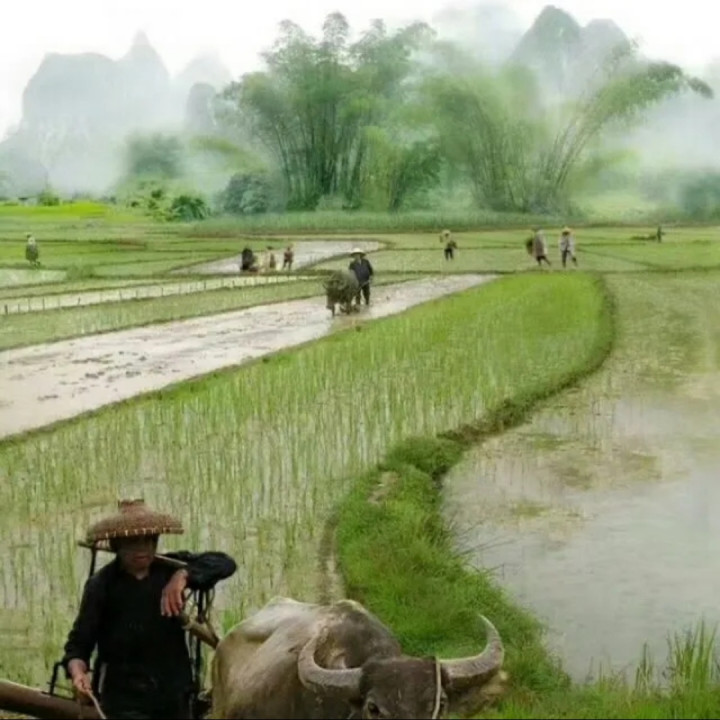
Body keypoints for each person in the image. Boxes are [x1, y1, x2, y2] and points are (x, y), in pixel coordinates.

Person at [62, 498, 237, 719]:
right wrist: (78, 674)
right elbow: (78, 647)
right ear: (117, 545)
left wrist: (183, 575)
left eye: (148, 540)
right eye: (133, 542)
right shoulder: (101, 585)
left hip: (173, 691)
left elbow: (225, 563)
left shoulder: (169, 569)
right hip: (125, 698)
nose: (142, 548)